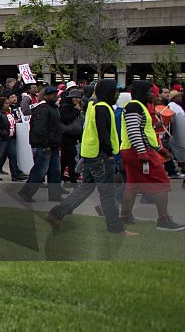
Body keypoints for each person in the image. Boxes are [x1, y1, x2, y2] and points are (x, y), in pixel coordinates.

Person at [45, 80, 132, 234]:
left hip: (91, 155)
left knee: (85, 189)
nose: (118, 94)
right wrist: (109, 153)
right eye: (115, 91)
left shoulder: (93, 105)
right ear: (108, 92)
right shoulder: (104, 108)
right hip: (102, 156)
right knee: (108, 195)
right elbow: (103, 134)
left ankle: (56, 213)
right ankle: (115, 228)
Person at [119, 80, 183, 231]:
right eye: (149, 92)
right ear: (141, 93)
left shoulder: (137, 107)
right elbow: (134, 132)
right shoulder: (134, 106)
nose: (153, 95)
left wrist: (159, 149)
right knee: (162, 182)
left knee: (133, 184)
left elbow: (144, 131)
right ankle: (163, 219)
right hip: (138, 151)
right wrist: (143, 151)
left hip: (133, 150)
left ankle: (125, 216)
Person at [18, 87, 63, 203]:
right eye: (53, 94)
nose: (56, 96)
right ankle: (26, 192)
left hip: (51, 144)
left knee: (55, 171)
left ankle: (55, 195)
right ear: (46, 96)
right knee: (40, 171)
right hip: (45, 145)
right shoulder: (43, 109)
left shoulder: (52, 108)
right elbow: (40, 129)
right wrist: (45, 144)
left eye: (56, 94)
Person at [0, 96, 25, 181]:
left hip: (9, 137)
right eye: (6, 103)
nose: (8, 105)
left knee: (13, 156)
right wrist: (1, 132)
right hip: (1, 138)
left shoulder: (7, 113)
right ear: (1, 105)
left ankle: (15, 175)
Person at [59, 88, 84, 183]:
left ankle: (60, 177)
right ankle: (72, 180)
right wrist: (76, 111)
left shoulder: (75, 107)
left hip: (72, 138)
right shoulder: (66, 107)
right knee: (71, 160)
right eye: (75, 98)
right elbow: (66, 119)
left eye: (79, 98)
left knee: (65, 160)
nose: (77, 99)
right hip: (66, 137)